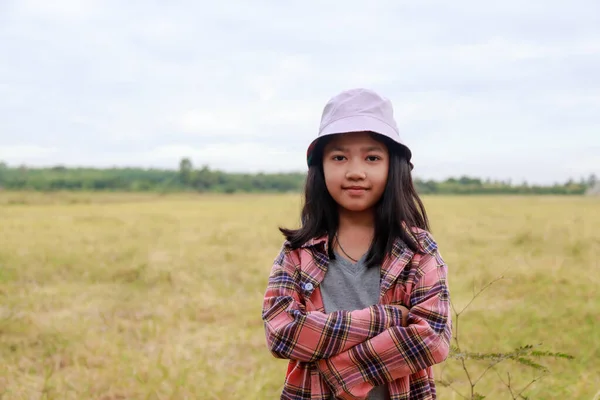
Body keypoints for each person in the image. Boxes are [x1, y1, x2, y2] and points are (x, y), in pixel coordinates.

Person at [261, 88, 452, 400]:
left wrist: (348, 372)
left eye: (372, 157)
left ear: (393, 166)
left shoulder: (418, 251)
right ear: (319, 168)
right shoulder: (297, 253)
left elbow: (432, 337)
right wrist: (387, 317)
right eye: (339, 157)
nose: (355, 172)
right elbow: (281, 334)